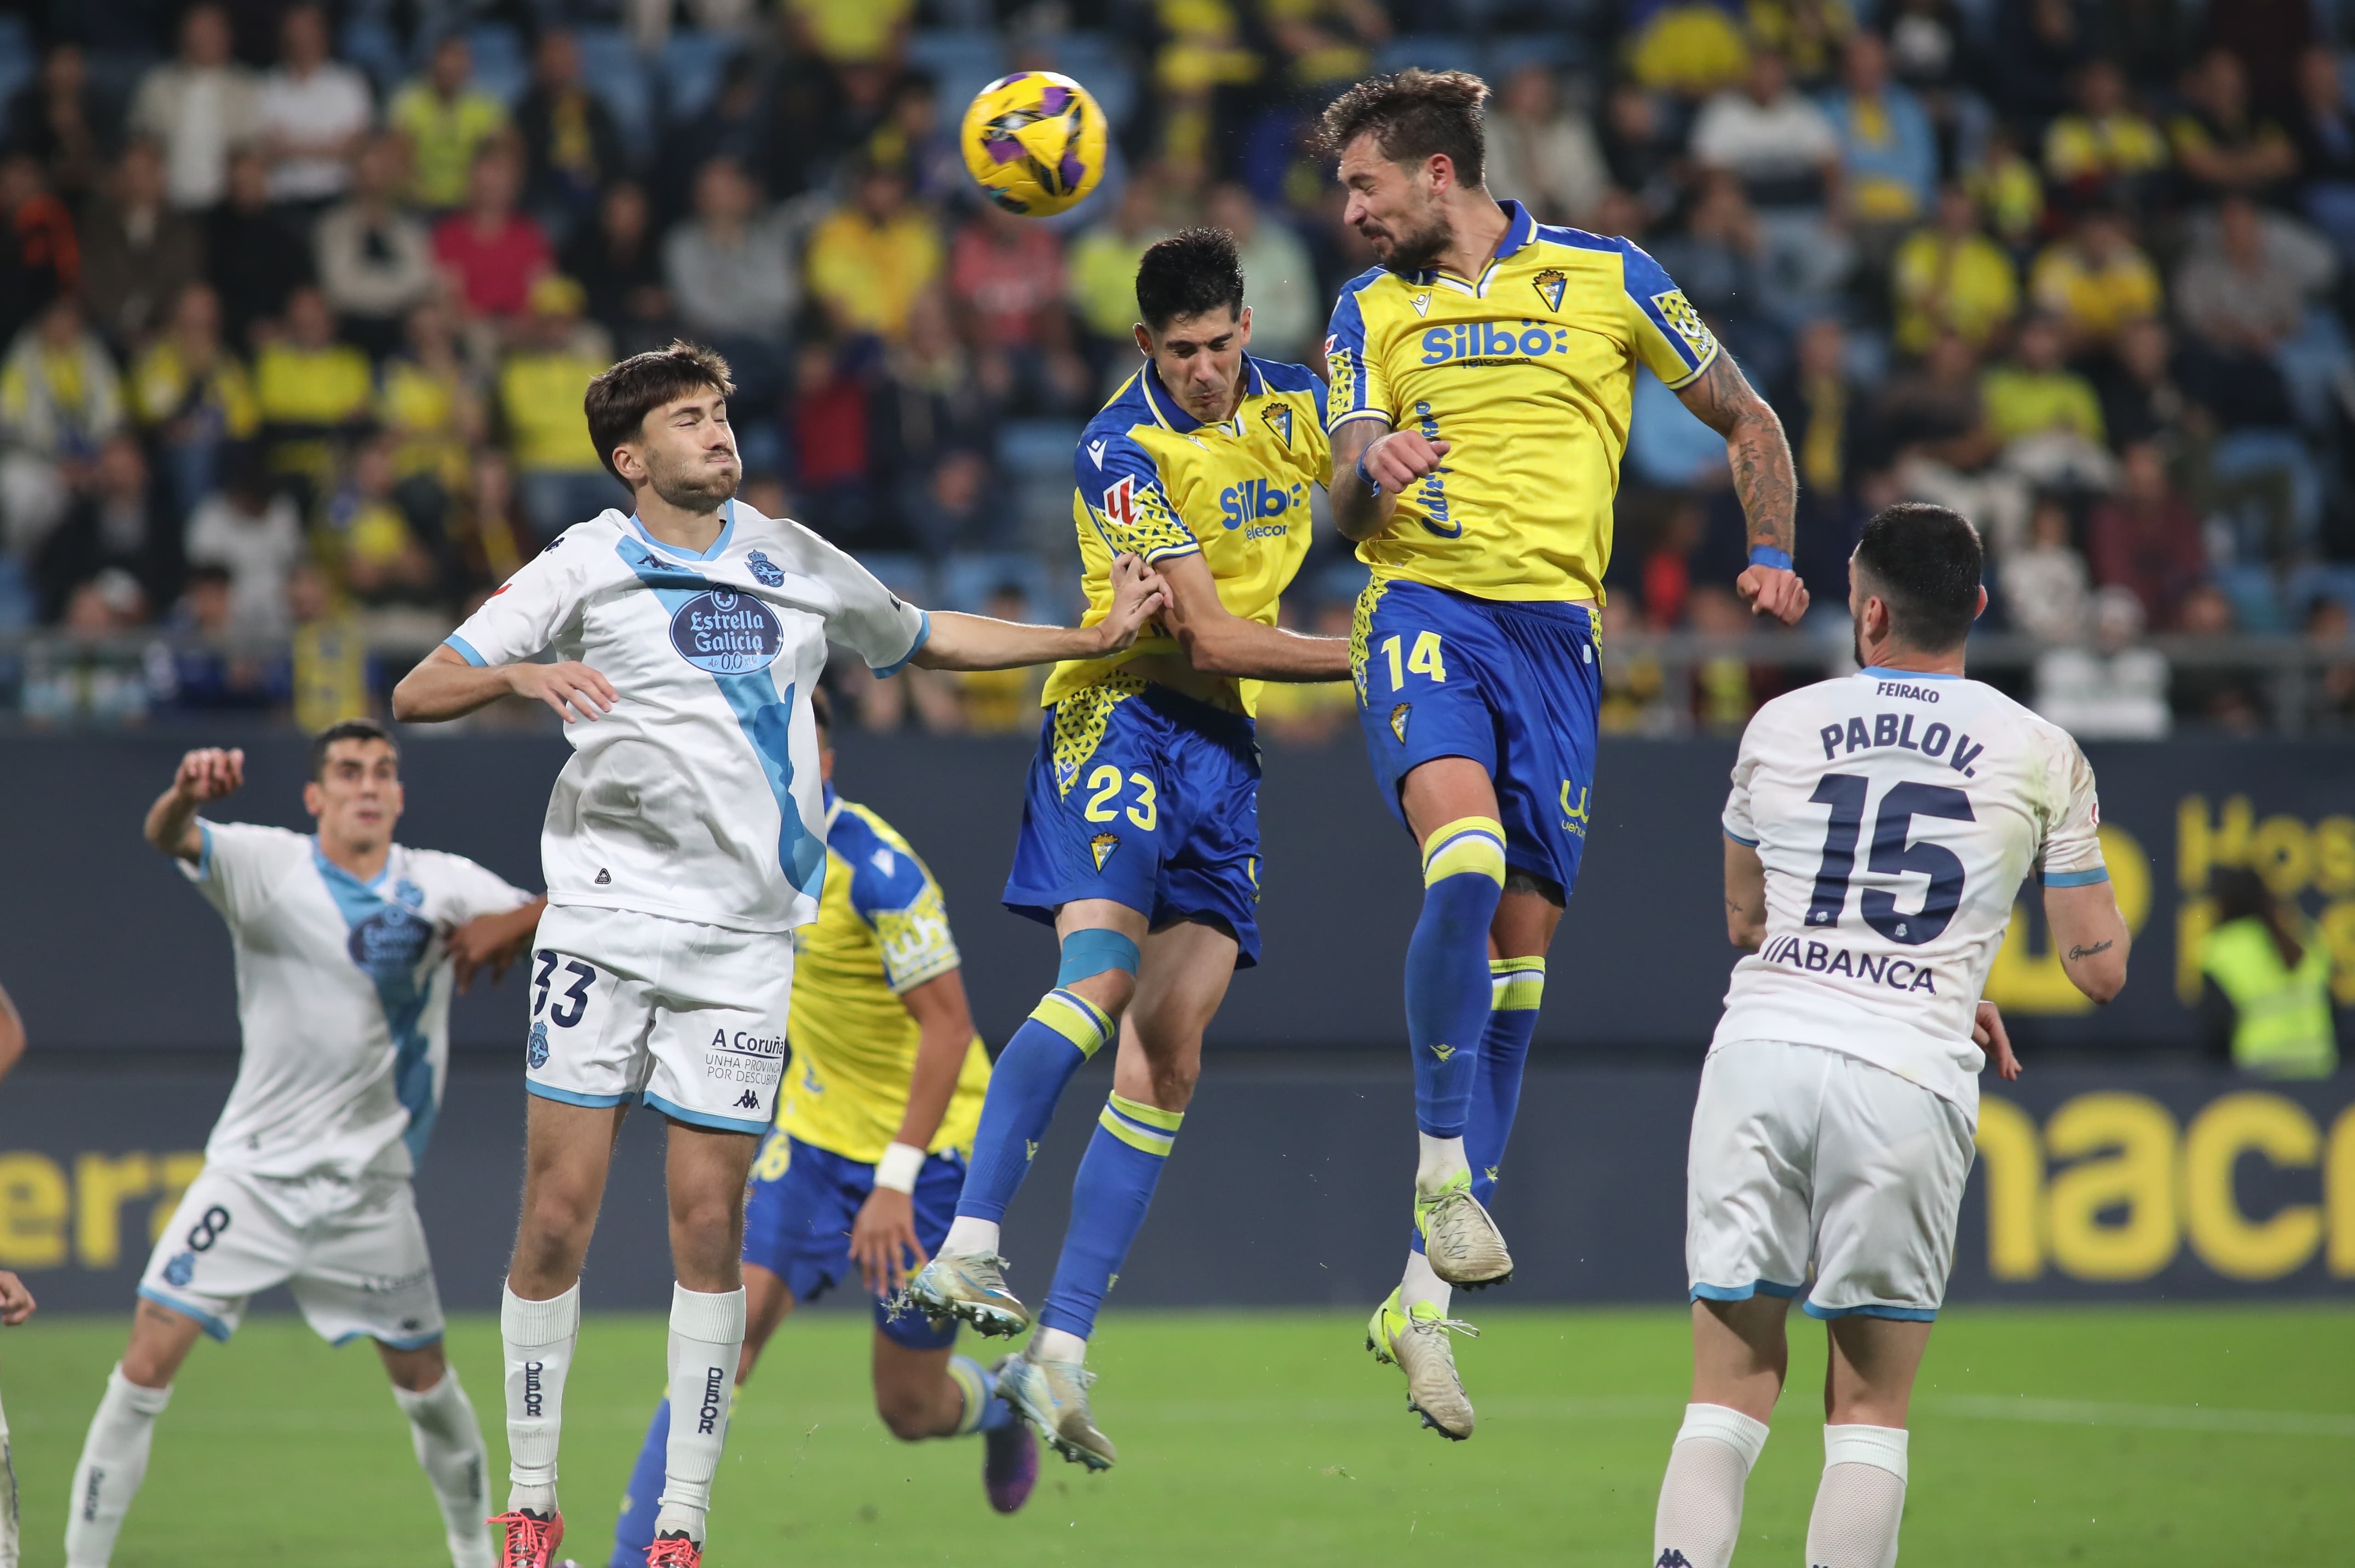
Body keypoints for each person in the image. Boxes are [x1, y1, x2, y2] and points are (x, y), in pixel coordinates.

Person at [388, 340, 1168, 1568]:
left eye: (719, 413)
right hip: (602, 921)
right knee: (555, 1218)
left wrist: (1091, 635)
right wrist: (523, 670)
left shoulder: (793, 558)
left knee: (710, 1228)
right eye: (687, 420)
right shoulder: (585, 561)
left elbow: (927, 637)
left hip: (746, 946)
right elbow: (419, 689)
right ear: (632, 458)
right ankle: (532, 1504)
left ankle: (681, 1530)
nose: (716, 433)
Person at [1315, 69, 1807, 1440]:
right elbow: (1338, 497)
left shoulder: (1605, 276)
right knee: (1461, 862)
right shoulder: (1369, 312)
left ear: (1431, 173)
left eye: (1362, 187)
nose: (1347, 215)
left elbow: (1748, 417)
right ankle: (1436, 1178)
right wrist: (1377, 469)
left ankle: (1415, 1299)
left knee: (1520, 968)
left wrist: (1767, 552)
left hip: (1554, 646)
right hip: (1422, 610)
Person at [907, 229, 1344, 1471]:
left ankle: (1056, 1356)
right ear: (1144, 345)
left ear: (1247, 328)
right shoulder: (1120, 448)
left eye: (1223, 345)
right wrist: (1381, 650)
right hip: (1121, 715)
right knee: (1096, 986)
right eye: (1183, 352)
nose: (1207, 371)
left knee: (1172, 1051)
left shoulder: (1298, 405)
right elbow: (1207, 637)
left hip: (1224, 754)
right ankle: (971, 1241)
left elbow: (1364, 487)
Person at [1652, 501, 2130, 1568]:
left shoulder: (1779, 724)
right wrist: (1951, 970)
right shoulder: (2041, 750)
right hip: (1908, 1073)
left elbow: (1744, 922)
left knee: (1725, 1393)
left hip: (1762, 1053)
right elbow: (2096, 969)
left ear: (1866, 611)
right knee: (1866, 1407)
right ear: (1977, 608)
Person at [63, 726, 548, 1568]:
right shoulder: (266, 865)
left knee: (428, 1389)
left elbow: (569, 914)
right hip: (252, 1182)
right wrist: (184, 794)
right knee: (144, 1365)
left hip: (370, 1196)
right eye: (349, 772)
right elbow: (166, 835)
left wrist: (522, 919)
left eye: (384, 773)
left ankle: (482, 1559)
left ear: (400, 796)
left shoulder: (442, 884)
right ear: (315, 797)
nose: (369, 786)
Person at [606, 687, 1035, 1565]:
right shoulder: (729, 851)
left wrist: (894, 1180)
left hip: (929, 1157)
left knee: (908, 1411)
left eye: (793, 752)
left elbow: (951, 1031)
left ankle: (1005, 1402)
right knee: (720, 1342)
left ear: (825, 765)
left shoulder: (879, 871)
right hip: (809, 1143)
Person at [2199, 866, 2338, 1078]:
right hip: (2318, 1068)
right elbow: (2331, 1005)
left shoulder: (2221, 948)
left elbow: (2219, 1025)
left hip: (2260, 1072)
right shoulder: (2308, 934)